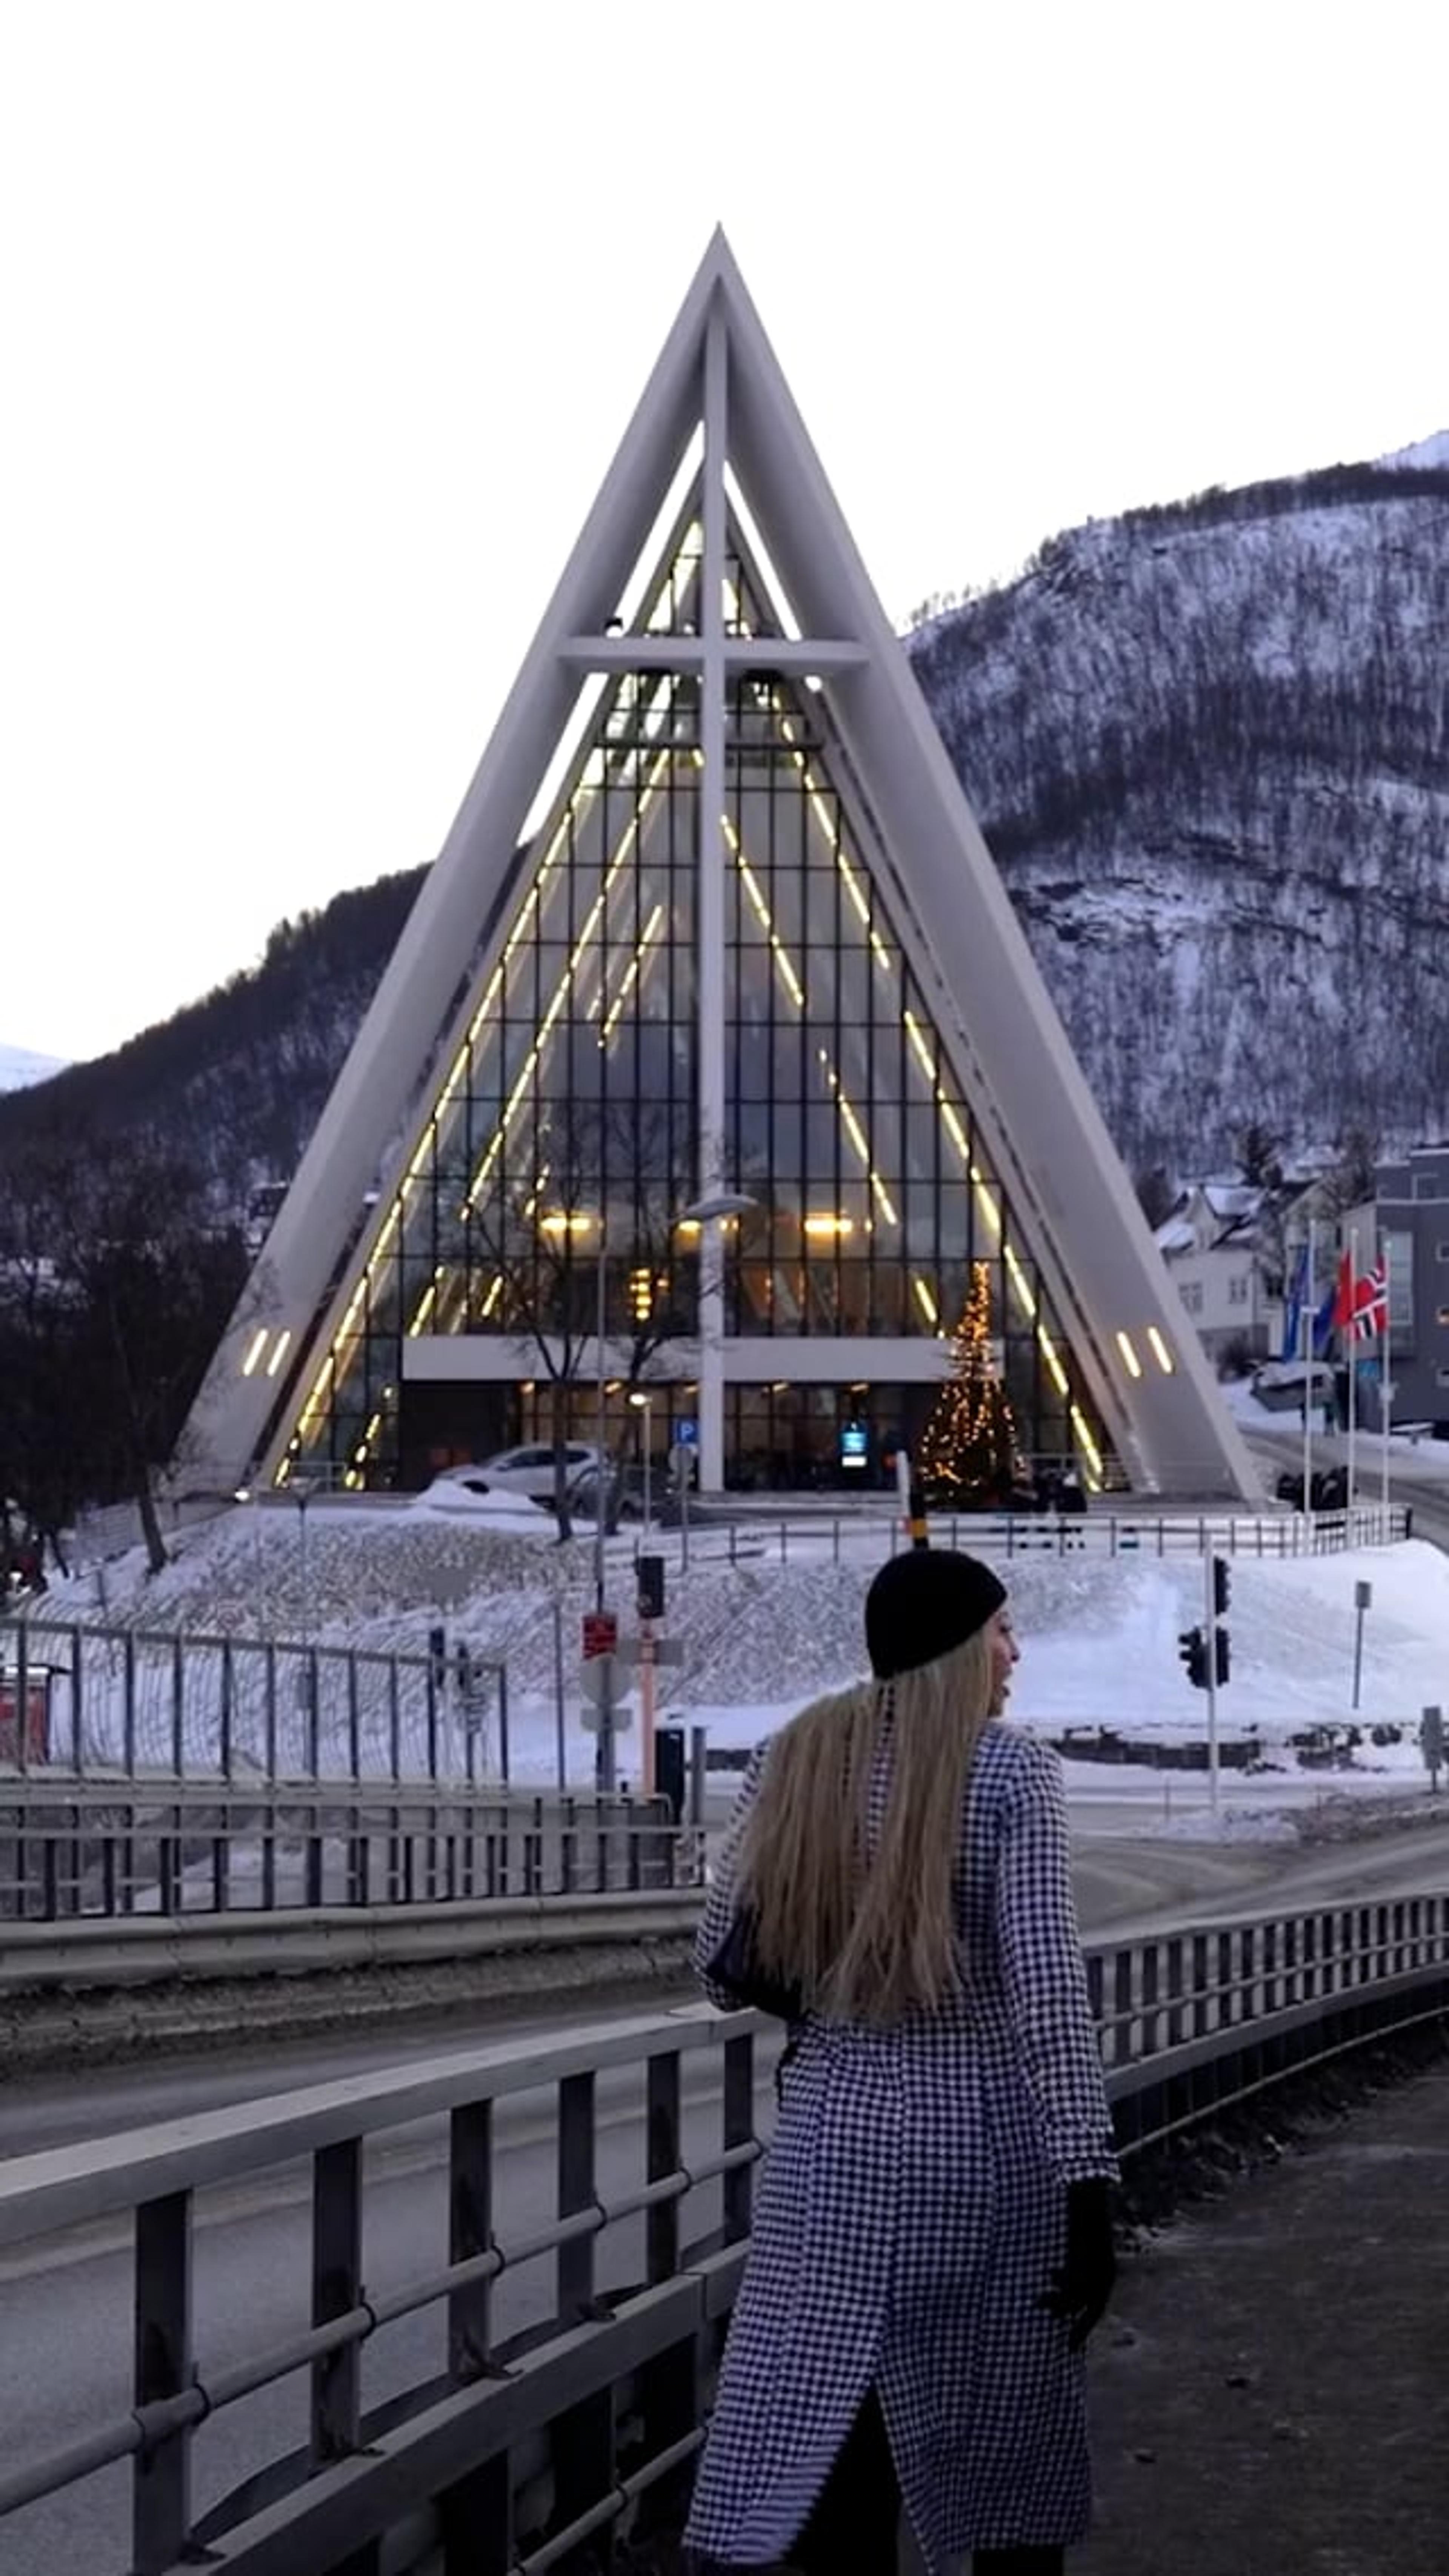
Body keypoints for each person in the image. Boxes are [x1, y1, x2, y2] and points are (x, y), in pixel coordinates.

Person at [685, 1548, 1118, 2576]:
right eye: (1001, 1630)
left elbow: (717, 1965)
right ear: (958, 1647)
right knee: (1008, 2461)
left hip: (829, 2155)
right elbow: (1050, 1999)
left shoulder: (791, 1761)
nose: (1015, 1652)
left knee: (839, 2469)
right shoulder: (1014, 1775)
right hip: (985, 2164)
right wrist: (1091, 2184)